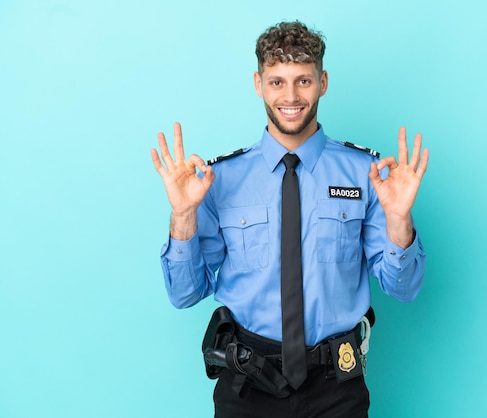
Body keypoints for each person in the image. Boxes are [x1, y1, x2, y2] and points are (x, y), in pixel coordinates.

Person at [151, 20, 429, 418]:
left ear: (323, 82)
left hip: (338, 386)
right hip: (247, 384)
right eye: (277, 81)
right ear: (258, 83)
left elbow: (404, 288)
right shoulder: (219, 180)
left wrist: (400, 219)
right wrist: (182, 216)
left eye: (303, 80)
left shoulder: (364, 175)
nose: (291, 96)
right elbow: (184, 293)